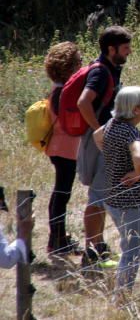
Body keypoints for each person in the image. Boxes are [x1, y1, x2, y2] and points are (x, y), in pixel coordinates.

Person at [77, 25, 132, 270]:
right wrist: (99, 130)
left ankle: (97, 246)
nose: (129, 52)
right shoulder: (100, 73)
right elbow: (83, 102)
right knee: (97, 195)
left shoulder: (110, 68)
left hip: (104, 138)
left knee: (103, 193)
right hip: (99, 140)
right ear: (112, 49)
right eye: (125, 47)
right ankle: (91, 251)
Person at [94, 86, 140, 295]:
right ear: (136, 109)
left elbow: (96, 136)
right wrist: (138, 174)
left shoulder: (111, 125)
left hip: (113, 199)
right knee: (133, 252)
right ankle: (122, 296)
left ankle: (121, 292)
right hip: (132, 202)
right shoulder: (130, 133)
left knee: (127, 247)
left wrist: (112, 155)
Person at [43, 41, 83, 257]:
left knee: (61, 193)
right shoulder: (62, 92)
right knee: (61, 194)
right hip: (64, 150)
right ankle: (56, 240)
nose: (81, 65)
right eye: (78, 62)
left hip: (61, 148)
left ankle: (57, 237)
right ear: (69, 66)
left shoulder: (59, 89)